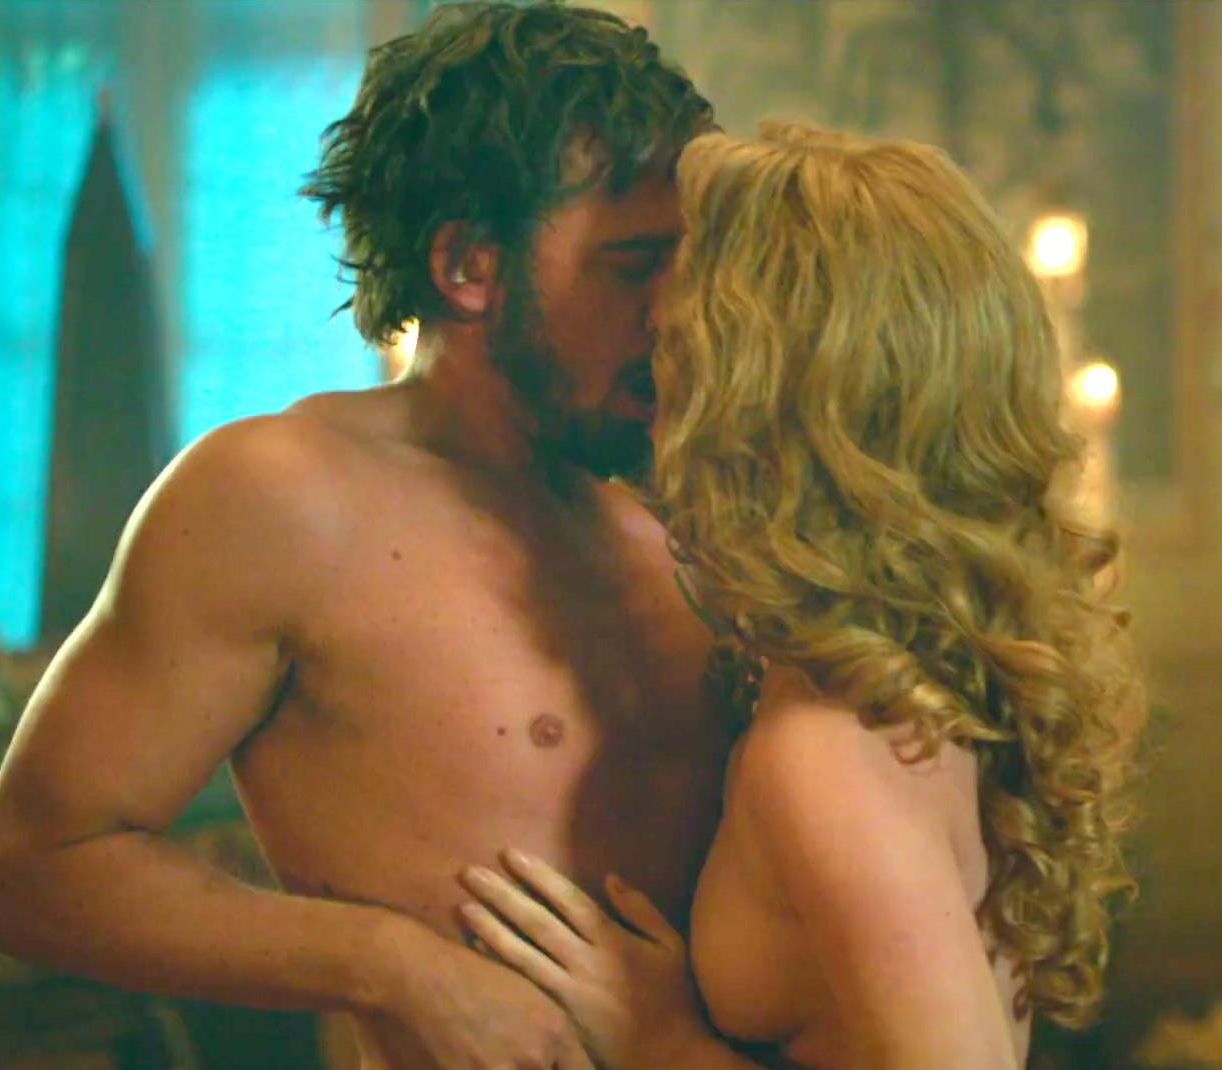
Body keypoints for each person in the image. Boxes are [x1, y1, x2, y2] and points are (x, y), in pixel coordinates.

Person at [0, 4, 732, 1068]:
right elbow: (30, 866)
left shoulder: (688, 496)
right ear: (469, 266)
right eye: (632, 264)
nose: (677, 308)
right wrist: (393, 962)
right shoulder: (277, 498)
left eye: (687, 259)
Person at [456, 123, 1143, 1070]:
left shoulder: (829, 750)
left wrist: (664, 1042)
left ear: (754, 402)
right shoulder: (876, 681)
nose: (650, 392)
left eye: (672, 350)